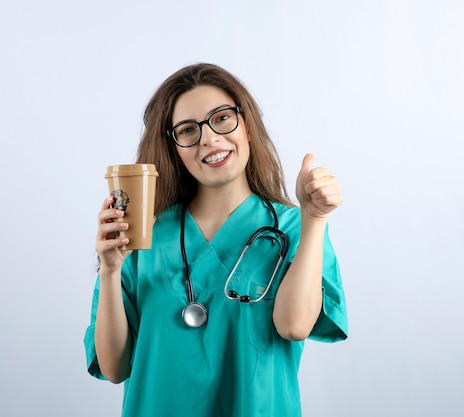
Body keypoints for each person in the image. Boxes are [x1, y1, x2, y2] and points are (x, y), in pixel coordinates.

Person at [84, 63, 348, 416]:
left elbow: (295, 326)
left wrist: (314, 218)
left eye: (222, 118)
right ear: (173, 148)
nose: (208, 138)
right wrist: (110, 270)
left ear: (248, 125)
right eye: (188, 130)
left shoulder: (293, 226)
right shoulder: (141, 234)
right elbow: (114, 368)